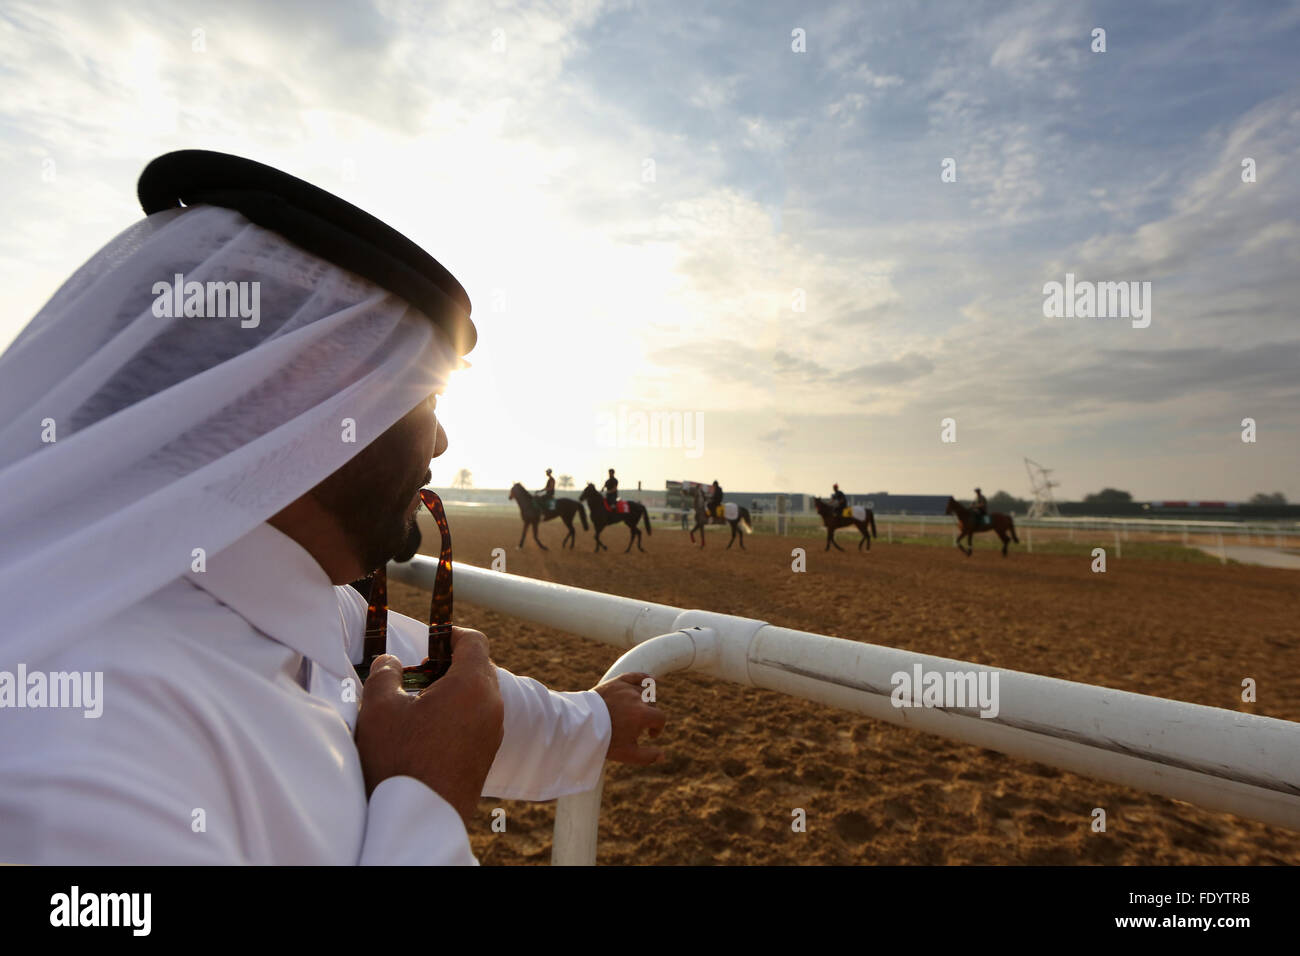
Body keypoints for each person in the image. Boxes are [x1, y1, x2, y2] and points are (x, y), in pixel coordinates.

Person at [0, 150, 665, 865]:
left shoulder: (288, 594)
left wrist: (596, 721)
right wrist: (423, 802)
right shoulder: (78, 766)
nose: (439, 439)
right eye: (423, 400)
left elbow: (453, 691)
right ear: (304, 400)